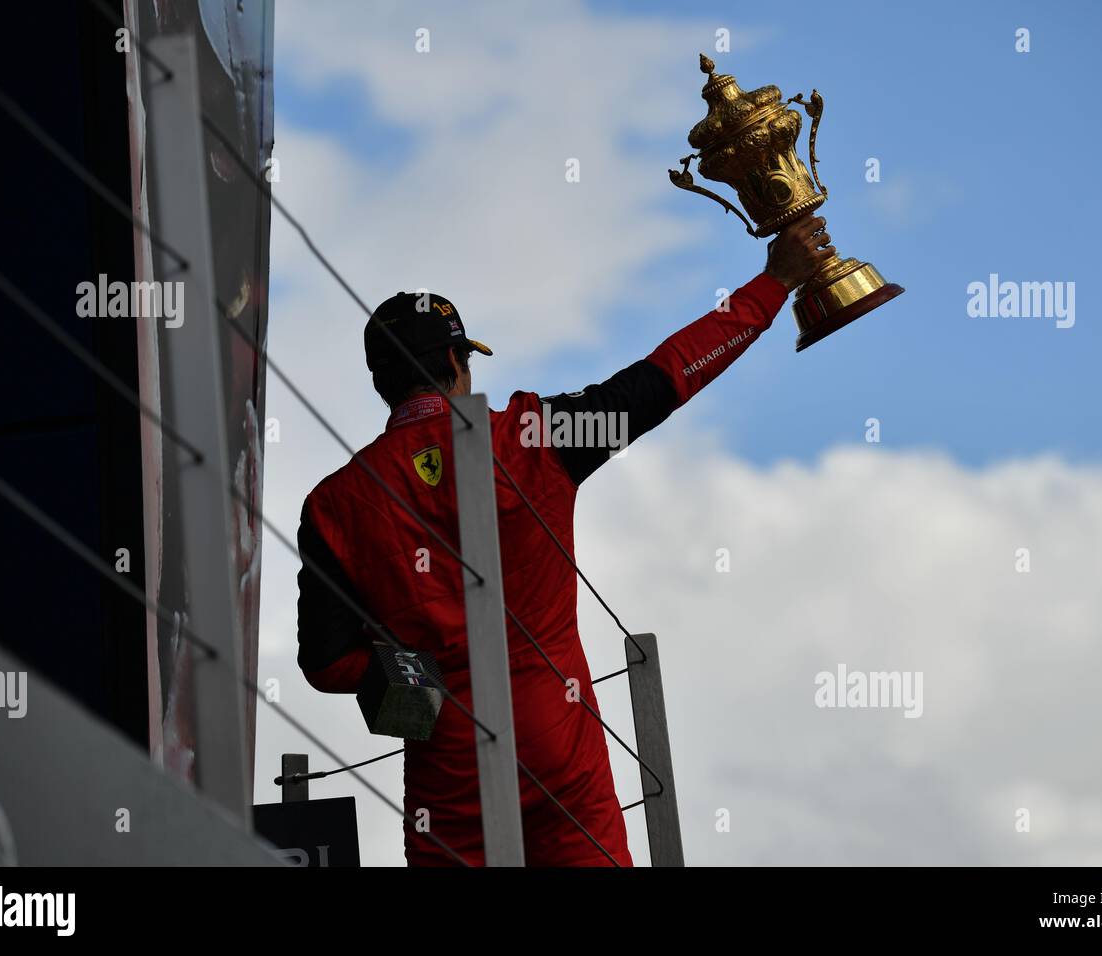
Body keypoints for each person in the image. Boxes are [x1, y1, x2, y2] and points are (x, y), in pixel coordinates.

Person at [296, 216, 836, 866]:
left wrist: (406, 662)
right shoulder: (534, 436)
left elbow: (327, 666)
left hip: (448, 755)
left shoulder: (332, 504)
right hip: (560, 739)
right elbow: (666, 378)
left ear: (383, 382)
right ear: (452, 363)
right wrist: (774, 285)